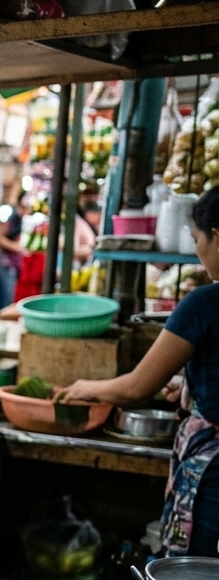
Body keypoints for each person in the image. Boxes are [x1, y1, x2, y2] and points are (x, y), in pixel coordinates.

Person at [60, 187, 219, 557]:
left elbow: (136, 388)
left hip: (213, 477)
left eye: (197, 240)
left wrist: (85, 388)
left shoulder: (205, 304)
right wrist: (189, 386)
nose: (197, 251)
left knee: (200, 578)